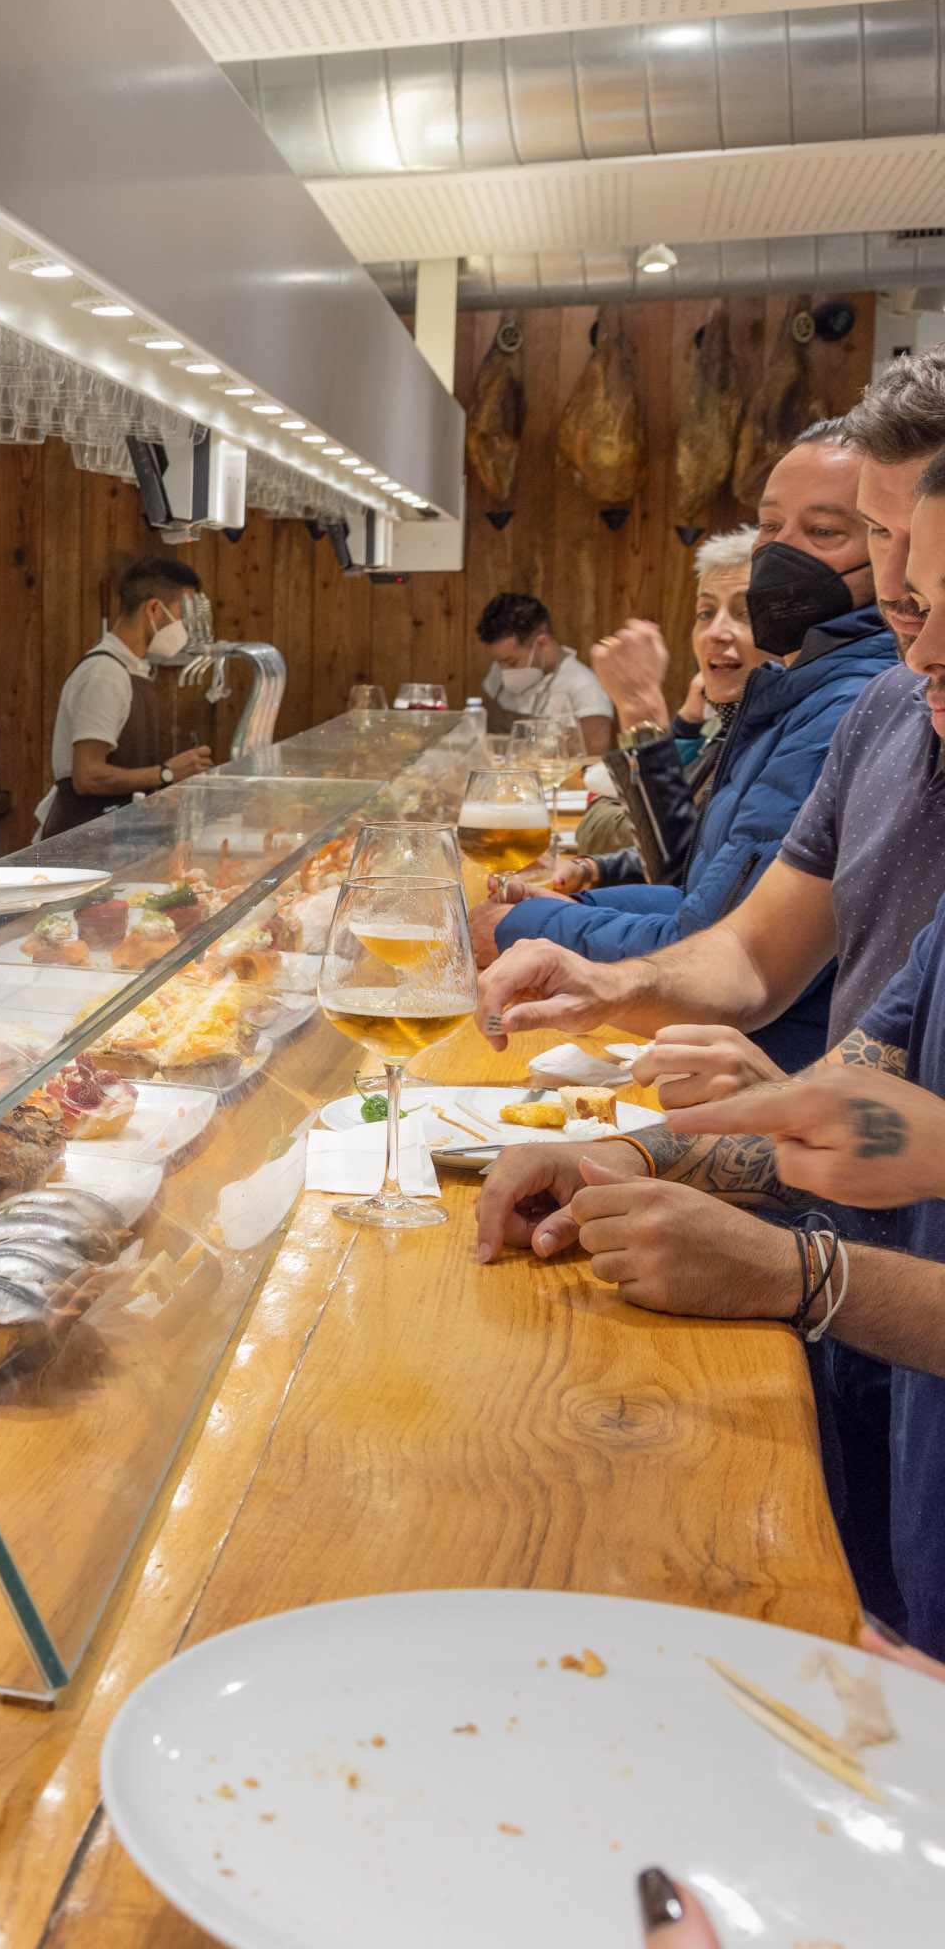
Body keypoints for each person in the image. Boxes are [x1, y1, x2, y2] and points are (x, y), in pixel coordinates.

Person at [472, 433, 945, 1649]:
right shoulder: (896, 718)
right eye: (911, 594)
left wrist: (793, 1274)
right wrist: (646, 1158)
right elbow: (883, 1118)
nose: (920, 644)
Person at [472, 433, 894, 1070]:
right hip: (731, 1067)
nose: (722, 631)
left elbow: (710, 932)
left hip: (764, 1079)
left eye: (824, 531)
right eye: (771, 525)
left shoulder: (851, 706)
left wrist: (642, 719)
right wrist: (581, 897)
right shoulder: (782, 700)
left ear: (896, 550)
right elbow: (700, 888)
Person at [569, 526, 772, 890]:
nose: (716, 632)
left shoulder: (794, 732)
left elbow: (689, 885)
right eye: (706, 612)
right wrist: (593, 869)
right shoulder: (735, 724)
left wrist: (641, 714)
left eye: (745, 613)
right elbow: (700, 855)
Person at [36, 556, 213, 838]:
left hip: (116, 835)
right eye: (183, 615)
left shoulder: (133, 669)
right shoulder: (104, 673)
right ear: (154, 609)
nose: (186, 627)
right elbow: (88, 776)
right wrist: (166, 773)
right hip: (84, 842)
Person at [475, 591, 615, 754]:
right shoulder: (499, 670)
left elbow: (593, 759)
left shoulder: (584, 686)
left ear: (542, 644)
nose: (504, 670)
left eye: (512, 662)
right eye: (499, 662)